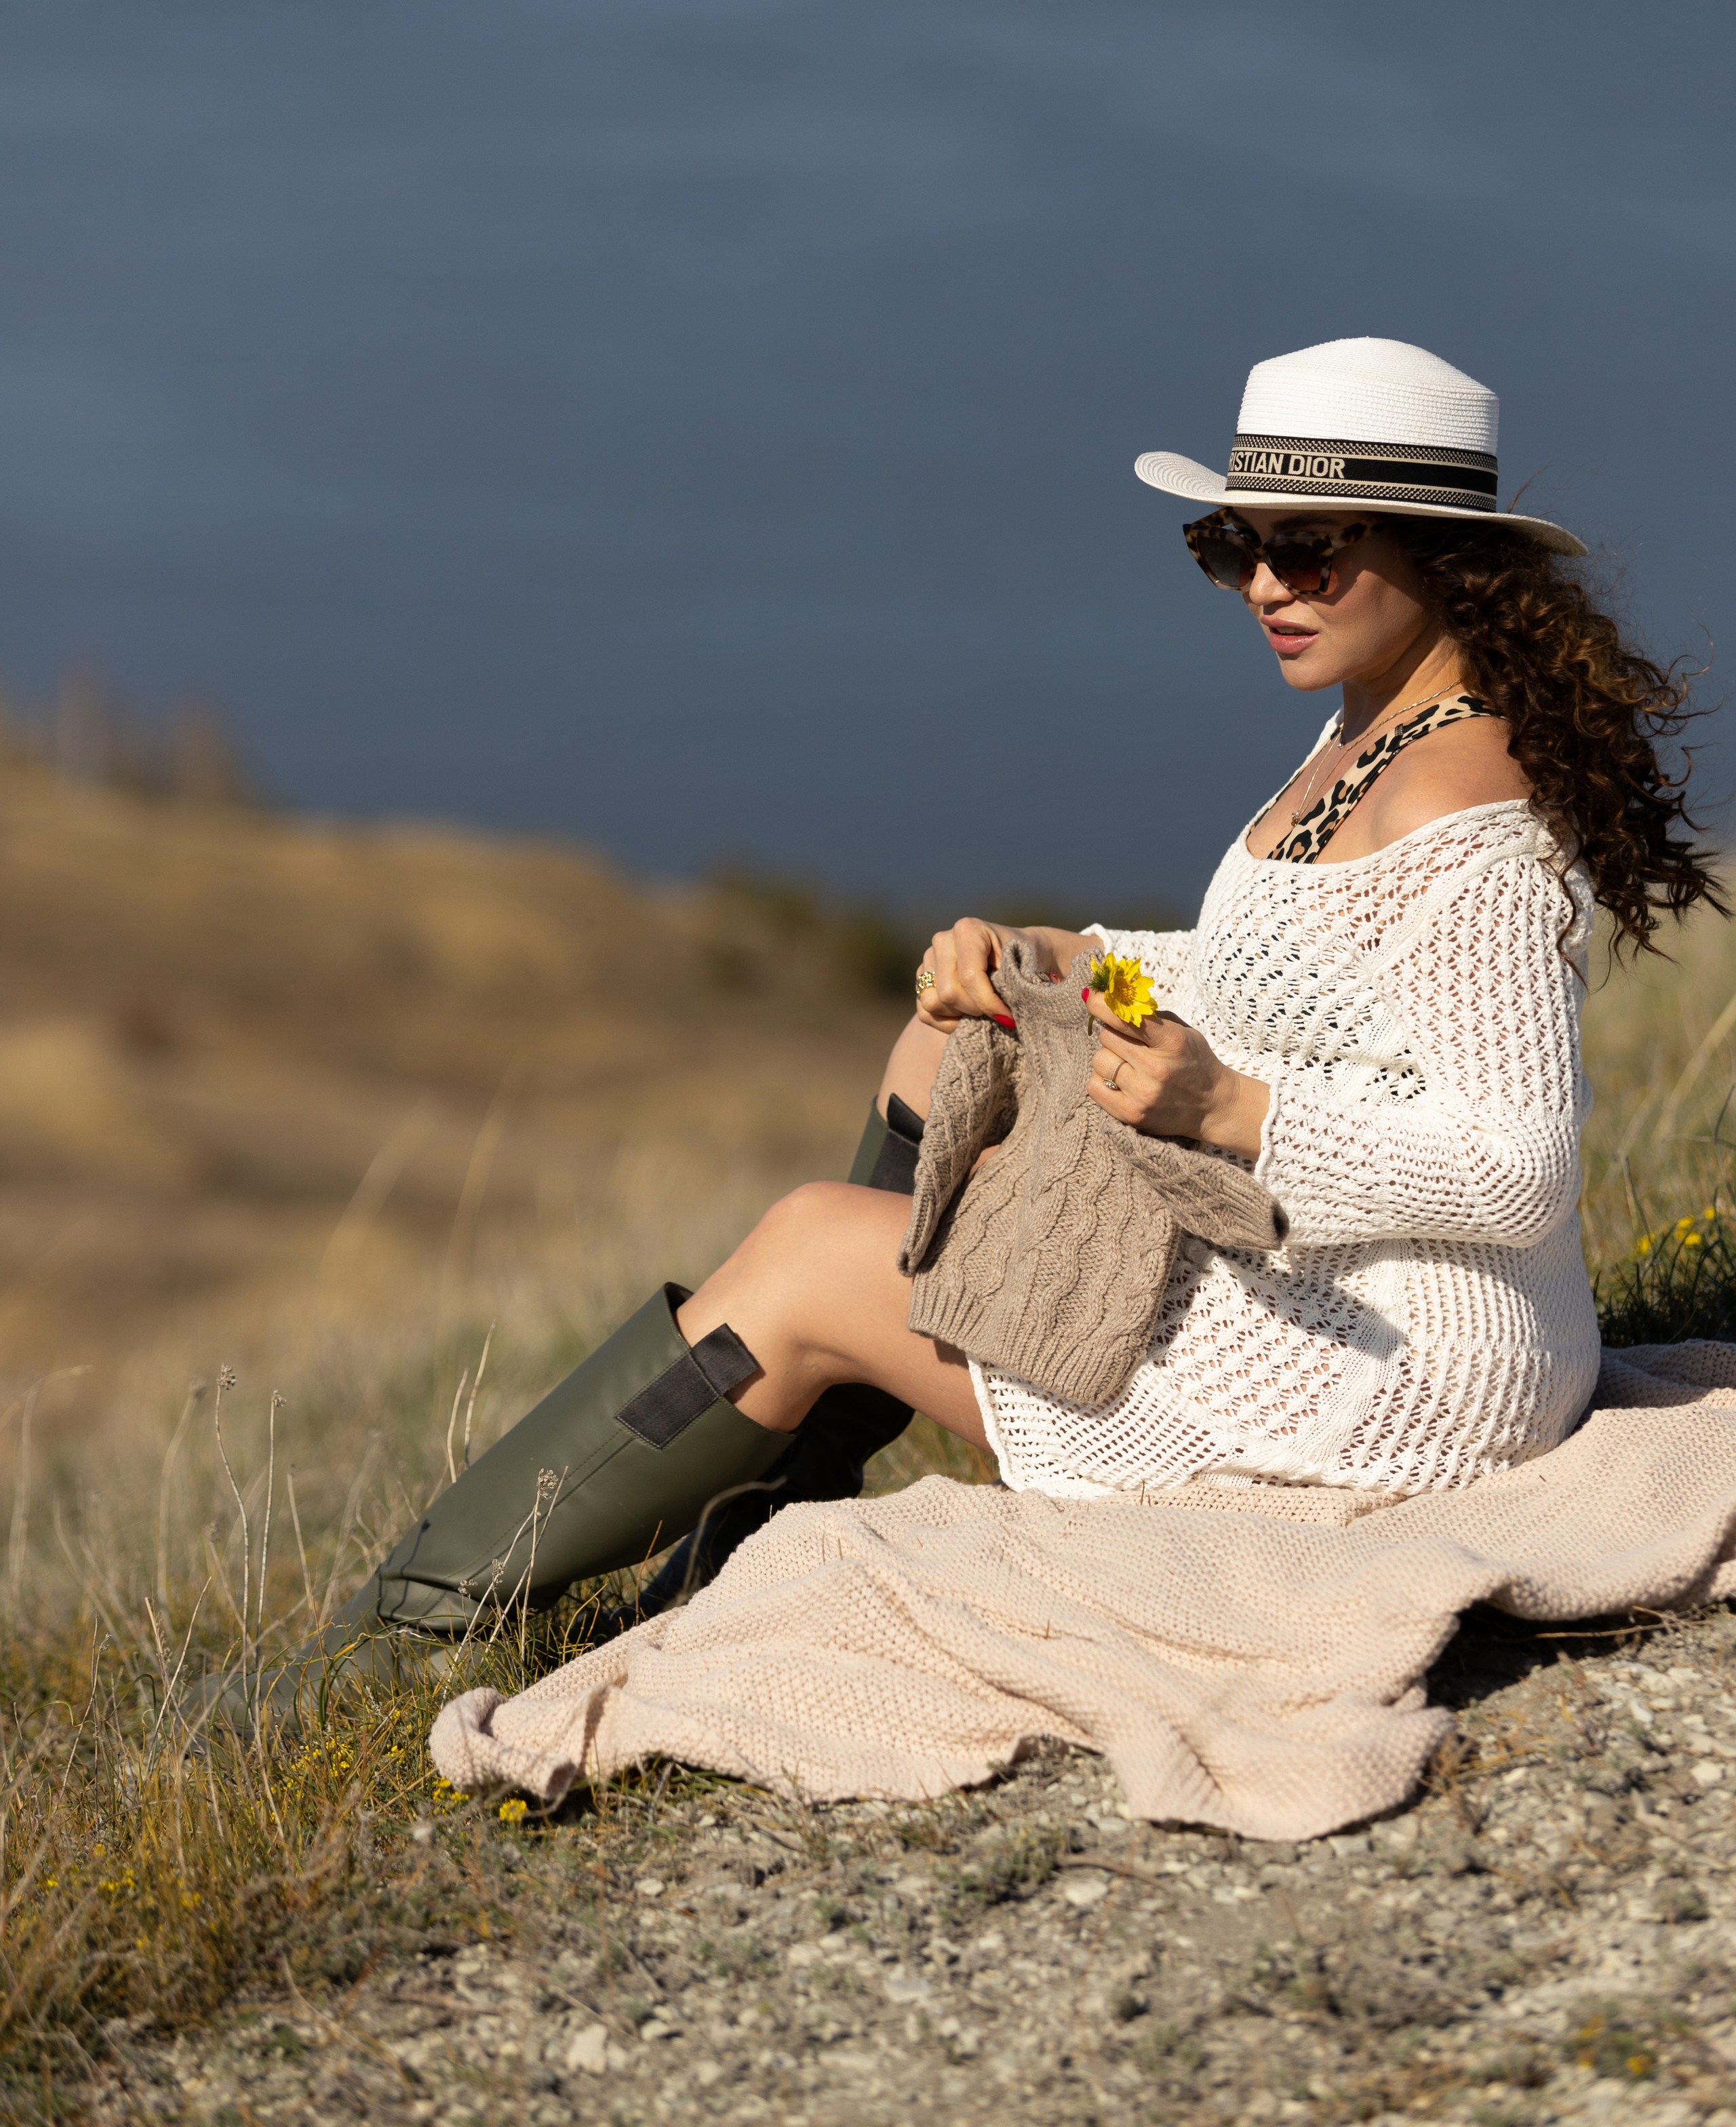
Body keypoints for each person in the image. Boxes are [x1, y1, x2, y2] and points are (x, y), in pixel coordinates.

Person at [263, 334, 1724, 1711]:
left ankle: (398, 1641)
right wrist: (1065, 965)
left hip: (1398, 1378)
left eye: (1305, 547)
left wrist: (1228, 1112)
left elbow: (1513, 1167)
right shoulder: (1375, 717)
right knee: (945, 1049)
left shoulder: (1459, 814)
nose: (1262, 585)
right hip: (1346, 1281)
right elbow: (1284, 983)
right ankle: (748, 1496)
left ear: (1439, 559)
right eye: (1230, 547)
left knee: (804, 1254)